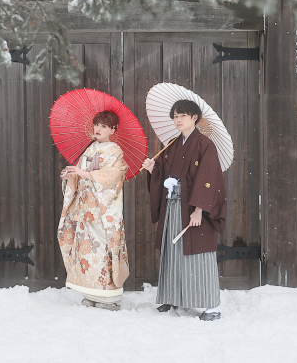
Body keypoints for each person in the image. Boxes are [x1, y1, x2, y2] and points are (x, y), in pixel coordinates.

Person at [141, 99, 227, 321]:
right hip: (172, 207)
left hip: (192, 208)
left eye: (183, 116)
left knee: (199, 255)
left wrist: (199, 209)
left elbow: (209, 179)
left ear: (195, 118)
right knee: (173, 252)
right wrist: (153, 170)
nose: (178, 120)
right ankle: (172, 296)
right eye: (175, 116)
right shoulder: (172, 143)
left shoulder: (205, 145)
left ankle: (210, 306)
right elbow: (163, 172)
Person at [58, 110, 129, 311]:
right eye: (97, 125)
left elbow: (114, 176)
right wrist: (71, 175)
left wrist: (84, 173)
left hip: (103, 210)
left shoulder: (115, 151)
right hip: (85, 207)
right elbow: (81, 174)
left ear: (113, 130)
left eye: (104, 126)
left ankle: (109, 297)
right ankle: (91, 293)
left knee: (104, 248)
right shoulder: (89, 149)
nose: (98, 129)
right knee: (87, 250)